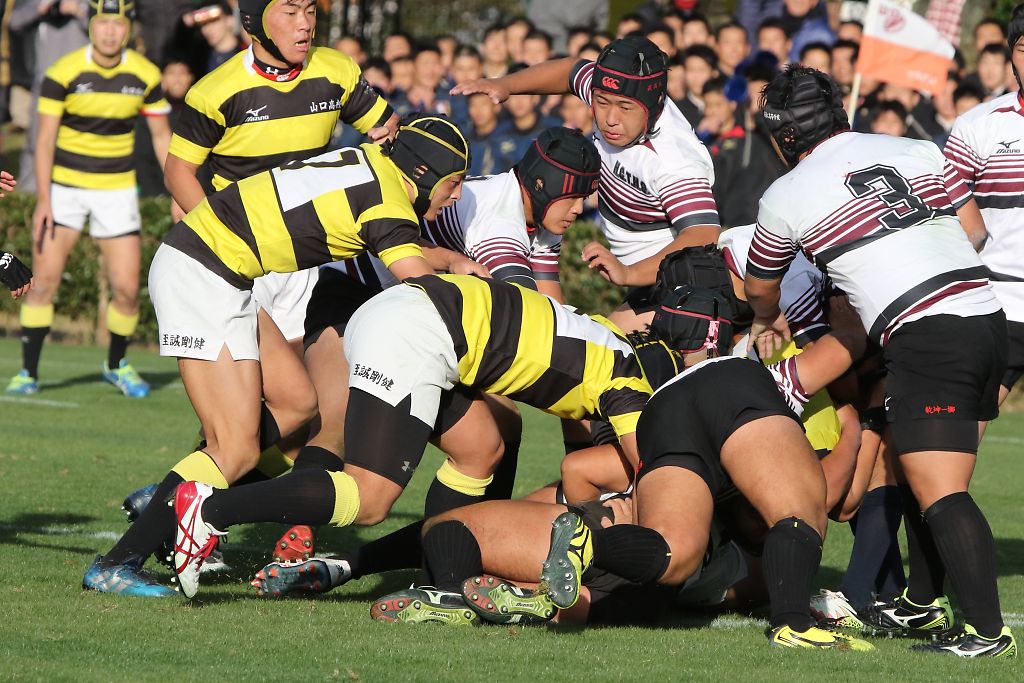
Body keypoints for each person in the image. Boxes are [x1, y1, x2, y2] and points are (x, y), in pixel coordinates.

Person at [81, 114, 469, 598]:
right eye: (454, 183)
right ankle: (118, 562)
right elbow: (423, 289)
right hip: (205, 272)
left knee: (297, 405)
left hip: (222, 269)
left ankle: (170, 497)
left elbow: (406, 251)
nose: (457, 196)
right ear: (423, 173)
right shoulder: (387, 202)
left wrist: (451, 261)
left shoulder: (373, 163)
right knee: (235, 448)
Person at [746, 66, 1015, 658]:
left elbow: (760, 286)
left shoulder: (785, 194)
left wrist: (767, 319)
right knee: (917, 472)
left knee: (940, 489)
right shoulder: (915, 147)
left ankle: (986, 634)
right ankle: (925, 603)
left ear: (784, 134)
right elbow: (973, 232)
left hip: (927, 331)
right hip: (985, 314)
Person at [169, 273, 653, 599]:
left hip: (413, 314)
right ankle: (210, 509)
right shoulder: (630, 383)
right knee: (369, 498)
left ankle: (438, 583)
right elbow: (648, 476)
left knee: (480, 448)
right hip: (417, 334)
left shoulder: (603, 338)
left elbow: (582, 454)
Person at [453, 36, 720, 334]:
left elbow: (703, 234)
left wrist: (629, 273)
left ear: (654, 104)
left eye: (625, 108)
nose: (610, 119)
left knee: (615, 349)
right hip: (642, 280)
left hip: (681, 281)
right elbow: (569, 71)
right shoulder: (613, 88)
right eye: (601, 102)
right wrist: (506, 85)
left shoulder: (673, 158)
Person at [7, 0, 171, 398]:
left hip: (117, 190)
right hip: (64, 189)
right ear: (91, 26)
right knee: (42, 282)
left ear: (128, 28)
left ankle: (115, 364)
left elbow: (161, 136)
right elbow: (44, 140)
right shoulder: (63, 71)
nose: (110, 32)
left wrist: (178, 193)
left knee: (127, 289)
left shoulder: (146, 74)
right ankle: (28, 372)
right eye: (103, 23)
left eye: (118, 24)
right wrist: (44, 199)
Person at [944, 4, 1024, 424]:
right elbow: (948, 215)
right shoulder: (978, 124)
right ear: (1011, 54)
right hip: (1000, 303)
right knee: (961, 429)